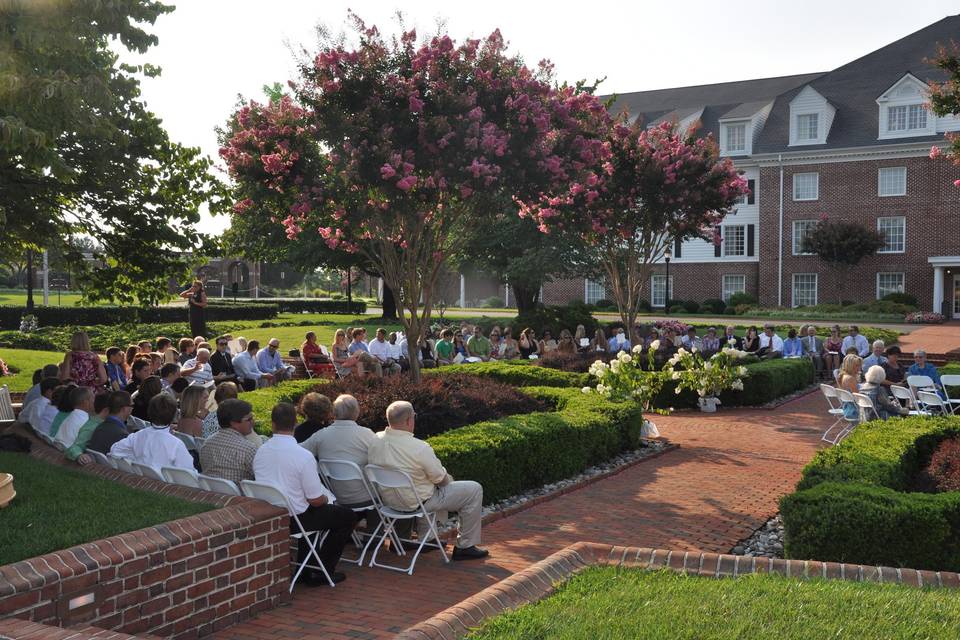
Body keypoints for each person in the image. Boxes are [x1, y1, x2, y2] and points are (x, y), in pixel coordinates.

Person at [367, 400, 488, 560]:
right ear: (410, 420)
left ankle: (423, 540)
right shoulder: (419, 447)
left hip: (389, 503)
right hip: (416, 504)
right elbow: (440, 479)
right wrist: (448, 480)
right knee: (473, 489)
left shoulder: (375, 440)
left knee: (424, 486)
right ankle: (465, 546)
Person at [254, 402, 357, 586]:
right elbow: (316, 500)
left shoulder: (261, 451)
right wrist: (328, 498)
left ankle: (306, 569)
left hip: (270, 513)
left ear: (272, 424)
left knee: (311, 510)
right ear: (295, 423)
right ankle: (322, 570)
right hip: (296, 518)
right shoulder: (302, 456)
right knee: (347, 517)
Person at [301, 394, 378, 509]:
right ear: (356, 413)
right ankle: (375, 525)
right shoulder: (367, 434)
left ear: (334, 413)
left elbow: (298, 451)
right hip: (367, 497)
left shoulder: (321, 435)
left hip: (336, 496)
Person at [110, 393, 195, 469]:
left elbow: (115, 450)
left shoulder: (138, 435)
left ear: (150, 412)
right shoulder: (176, 444)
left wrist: (137, 461)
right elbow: (190, 475)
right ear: (173, 416)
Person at [200, 399, 258, 484]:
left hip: (212, 493)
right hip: (240, 495)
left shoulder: (206, 444)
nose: (253, 422)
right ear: (234, 423)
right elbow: (260, 477)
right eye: (249, 419)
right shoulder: (247, 449)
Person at [65, 393, 111, 464]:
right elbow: (75, 447)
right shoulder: (93, 427)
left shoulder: (94, 422)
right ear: (106, 410)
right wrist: (79, 455)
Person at [837, 354, 862, 421]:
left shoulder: (843, 376)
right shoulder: (850, 379)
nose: (859, 368)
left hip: (847, 407)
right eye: (857, 366)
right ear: (850, 366)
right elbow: (858, 397)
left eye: (859, 365)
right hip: (854, 410)